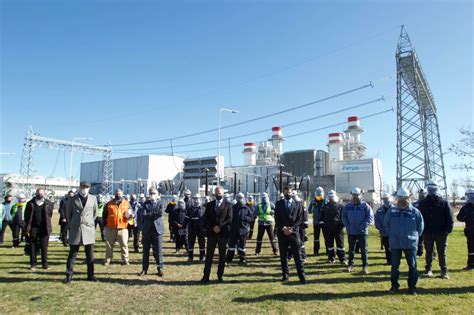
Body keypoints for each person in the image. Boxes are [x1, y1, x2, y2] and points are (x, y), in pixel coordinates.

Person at [385, 187, 424, 295]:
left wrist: (413, 237)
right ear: (397, 198)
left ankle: (412, 288)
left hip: (410, 243)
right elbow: (386, 224)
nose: (402, 201)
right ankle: (394, 286)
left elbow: (420, 228)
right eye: (400, 198)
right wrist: (392, 235)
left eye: (404, 198)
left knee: (412, 266)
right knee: (395, 266)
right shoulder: (391, 211)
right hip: (395, 243)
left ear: (409, 198)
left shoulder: (415, 212)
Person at [417, 181, 454, 279]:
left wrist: (447, 230)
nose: (431, 191)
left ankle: (444, 271)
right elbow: (419, 218)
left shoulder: (444, 202)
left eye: (433, 189)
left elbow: (450, 217)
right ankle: (428, 269)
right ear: (427, 190)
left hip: (441, 232)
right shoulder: (423, 203)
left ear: (437, 189)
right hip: (427, 232)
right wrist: (421, 230)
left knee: (442, 252)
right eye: (429, 189)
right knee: (428, 251)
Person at [64, 181, 98, 283]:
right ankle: (69, 275)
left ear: (89, 188)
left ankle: (90, 275)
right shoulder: (72, 198)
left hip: (88, 229)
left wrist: (88, 222)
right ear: (80, 187)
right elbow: (68, 214)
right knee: (73, 254)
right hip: (76, 229)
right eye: (83, 187)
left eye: (87, 187)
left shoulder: (93, 198)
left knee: (90, 255)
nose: (84, 189)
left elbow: (95, 213)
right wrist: (73, 224)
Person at [200, 186, 232, 284]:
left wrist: (220, 227)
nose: (218, 195)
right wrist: (213, 227)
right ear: (214, 194)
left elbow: (229, 219)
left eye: (220, 193)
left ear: (223, 194)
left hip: (223, 234)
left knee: (222, 256)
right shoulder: (209, 205)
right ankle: (206, 276)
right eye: (216, 193)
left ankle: (220, 276)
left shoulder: (228, 205)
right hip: (211, 234)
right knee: (209, 256)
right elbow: (206, 218)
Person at [275, 186, 306, 284]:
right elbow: (277, 219)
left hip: (294, 232)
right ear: (283, 193)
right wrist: (283, 228)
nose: (287, 194)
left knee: (297, 255)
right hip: (282, 232)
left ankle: (302, 277)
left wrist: (292, 229)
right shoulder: (279, 204)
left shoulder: (298, 204)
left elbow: (300, 219)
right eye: (285, 193)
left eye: (288, 192)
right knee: (283, 256)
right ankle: (285, 276)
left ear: (292, 192)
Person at [342, 187, 374, 274]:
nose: (355, 197)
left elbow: (370, 217)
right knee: (351, 249)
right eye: (353, 195)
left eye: (357, 195)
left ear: (360, 195)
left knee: (364, 250)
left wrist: (363, 225)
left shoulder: (365, 206)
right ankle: (350, 265)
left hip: (362, 232)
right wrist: (347, 225)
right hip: (351, 231)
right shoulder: (347, 206)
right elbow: (344, 217)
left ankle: (365, 266)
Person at [24, 188, 54, 270]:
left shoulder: (49, 203)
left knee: (44, 247)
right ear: (35, 193)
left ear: (44, 194)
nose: (40, 194)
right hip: (33, 228)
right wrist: (27, 228)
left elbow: (49, 215)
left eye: (41, 193)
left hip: (44, 228)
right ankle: (33, 264)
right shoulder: (30, 203)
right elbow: (26, 216)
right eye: (38, 193)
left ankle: (45, 264)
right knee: (32, 246)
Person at [139, 187, 164, 277]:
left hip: (158, 230)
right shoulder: (145, 204)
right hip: (147, 230)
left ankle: (159, 268)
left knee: (158, 251)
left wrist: (151, 214)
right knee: (145, 251)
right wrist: (154, 214)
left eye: (154, 193)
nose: (152, 195)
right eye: (151, 193)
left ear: (157, 195)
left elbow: (160, 213)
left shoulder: (161, 203)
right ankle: (144, 269)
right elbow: (144, 215)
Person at [103, 189, 132, 266]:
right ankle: (108, 259)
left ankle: (125, 260)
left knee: (124, 244)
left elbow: (131, 214)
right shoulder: (109, 204)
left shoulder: (127, 203)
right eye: (117, 194)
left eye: (119, 194)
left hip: (123, 228)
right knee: (109, 245)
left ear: (122, 195)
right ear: (115, 194)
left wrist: (130, 216)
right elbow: (104, 215)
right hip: (110, 228)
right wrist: (105, 226)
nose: (118, 195)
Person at [226, 192, 254, 264]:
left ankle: (242, 258)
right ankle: (229, 258)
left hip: (243, 230)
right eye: (238, 198)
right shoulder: (232, 208)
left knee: (242, 245)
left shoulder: (246, 208)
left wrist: (245, 218)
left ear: (243, 198)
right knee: (231, 245)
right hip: (233, 230)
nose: (239, 199)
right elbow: (228, 217)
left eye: (241, 198)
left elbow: (251, 218)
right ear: (236, 198)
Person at [320, 190, 347, 264]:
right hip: (328, 228)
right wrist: (322, 224)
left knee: (340, 244)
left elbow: (344, 216)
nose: (331, 198)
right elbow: (321, 216)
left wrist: (342, 224)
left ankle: (342, 258)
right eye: (330, 197)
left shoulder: (341, 206)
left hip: (338, 228)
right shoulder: (325, 206)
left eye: (332, 197)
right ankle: (331, 258)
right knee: (329, 244)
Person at [456, 188, 474, 271]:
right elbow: (459, 217)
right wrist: (466, 218)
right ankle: (471, 264)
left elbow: (459, 217)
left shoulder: (466, 207)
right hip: (470, 231)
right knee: (471, 249)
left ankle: (471, 264)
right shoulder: (466, 207)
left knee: (471, 248)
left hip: (470, 230)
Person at [185, 194, 206, 263]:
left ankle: (202, 257)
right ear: (192, 200)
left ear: (201, 200)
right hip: (191, 229)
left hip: (201, 230)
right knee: (191, 244)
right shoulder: (189, 209)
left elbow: (207, 220)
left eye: (198, 199)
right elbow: (186, 219)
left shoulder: (203, 209)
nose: (196, 201)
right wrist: (182, 227)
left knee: (202, 244)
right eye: (195, 199)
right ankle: (190, 257)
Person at [375, 192, 393, 265]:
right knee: (386, 247)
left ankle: (394, 260)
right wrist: (380, 229)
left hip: (393, 232)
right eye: (384, 199)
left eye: (387, 199)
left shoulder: (394, 209)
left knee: (393, 247)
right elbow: (377, 221)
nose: (386, 200)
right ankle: (389, 260)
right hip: (384, 232)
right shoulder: (379, 210)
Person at [308, 187, 326, 256]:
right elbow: (309, 210)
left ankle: (328, 250)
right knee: (316, 238)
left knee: (326, 237)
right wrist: (312, 208)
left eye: (320, 194)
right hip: (316, 222)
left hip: (324, 222)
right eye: (318, 194)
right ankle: (316, 251)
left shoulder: (325, 201)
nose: (319, 195)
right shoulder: (313, 202)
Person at [413, 189, 427, 256]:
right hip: (418, 224)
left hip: (427, 224)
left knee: (429, 241)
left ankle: (432, 253)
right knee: (419, 239)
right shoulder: (415, 204)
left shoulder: (428, 203)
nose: (421, 195)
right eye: (420, 194)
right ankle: (419, 252)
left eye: (423, 194)